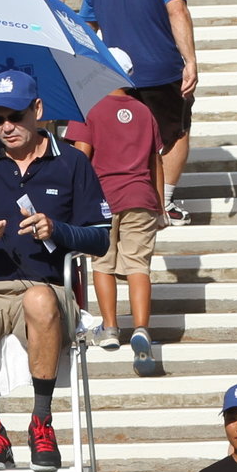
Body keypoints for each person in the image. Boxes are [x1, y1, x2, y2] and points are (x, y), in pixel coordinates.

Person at [0, 74, 107, 471]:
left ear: (37, 111)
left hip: (48, 285)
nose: (5, 127)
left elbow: (101, 239)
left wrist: (58, 230)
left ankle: (41, 421)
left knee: (38, 297)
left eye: (14, 116)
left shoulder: (73, 161)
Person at [82, 0, 199, 219]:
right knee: (176, 132)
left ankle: (122, 200)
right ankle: (166, 201)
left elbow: (87, 27)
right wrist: (190, 61)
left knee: (124, 132)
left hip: (116, 73)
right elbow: (177, 11)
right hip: (162, 70)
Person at [65, 89, 163, 372]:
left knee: (103, 263)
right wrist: (159, 205)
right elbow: (156, 161)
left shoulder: (89, 107)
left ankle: (110, 327)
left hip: (103, 198)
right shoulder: (145, 111)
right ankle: (141, 328)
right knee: (138, 266)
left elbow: (81, 156)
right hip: (141, 196)